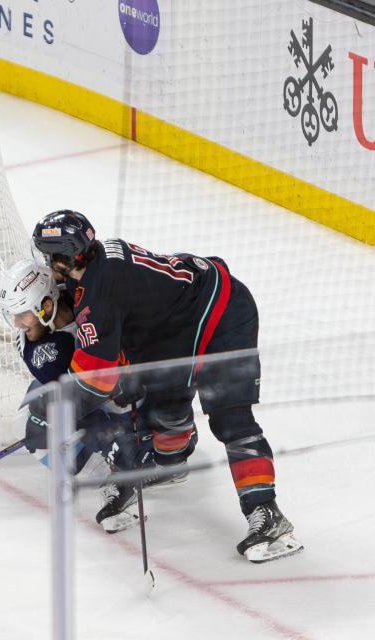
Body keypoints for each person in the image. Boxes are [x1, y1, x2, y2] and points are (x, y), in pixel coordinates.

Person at [31, 209, 302, 563]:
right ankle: (167, 463)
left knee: (229, 417)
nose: (47, 264)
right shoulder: (95, 272)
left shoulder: (101, 292)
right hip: (177, 327)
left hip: (222, 315)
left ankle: (268, 515)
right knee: (160, 402)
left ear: (66, 258)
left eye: (50, 257)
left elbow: (96, 383)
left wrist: (55, 408)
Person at [0, 258, 184, 533]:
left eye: (22, 313)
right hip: (96, 390)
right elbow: (82, 400)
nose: (17, 322)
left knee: (142, 400)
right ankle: (118, 469)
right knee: (34, 421)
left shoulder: (84, 295)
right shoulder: (42, 350)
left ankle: (162, 447)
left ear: (46, 304)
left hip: (134, 379)